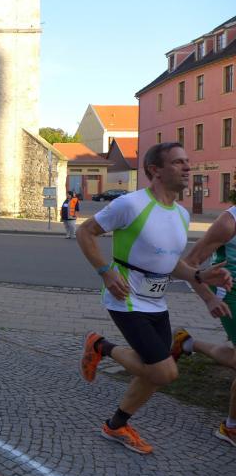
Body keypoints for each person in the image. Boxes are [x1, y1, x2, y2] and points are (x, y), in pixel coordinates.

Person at [76, 142, 232, 454]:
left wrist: (200, 276)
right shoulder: (131, 204)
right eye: (178, 162)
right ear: (155, 170)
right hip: (126, 299)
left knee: (155, 372)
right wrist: (106, 272)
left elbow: (170, 264)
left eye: (187, 161)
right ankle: (100, 346)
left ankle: (116, 425)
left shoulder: (181, 215)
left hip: (157, 302)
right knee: (165, 371)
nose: (187, 167)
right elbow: (85, 232)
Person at [172, 204, 236, 447]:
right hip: (232, 294)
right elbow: (190, 262)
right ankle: (231, 427)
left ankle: (187, 343)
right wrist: (210, 299)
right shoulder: (229, 222)